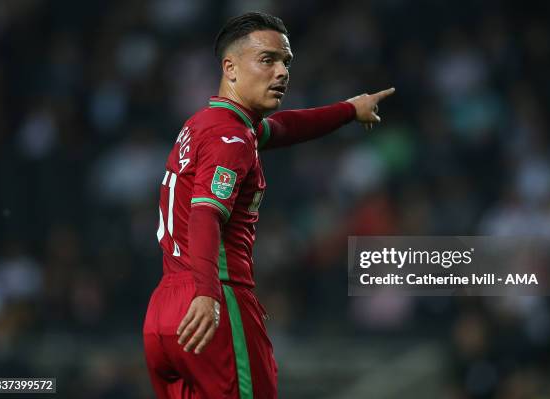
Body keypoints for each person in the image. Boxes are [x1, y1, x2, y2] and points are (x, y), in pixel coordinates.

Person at [143, 11, 395, 399]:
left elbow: (284, 129)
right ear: (230, 68)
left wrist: (349, 109)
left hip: (164, 313)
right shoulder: (232, 138)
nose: (281, 72)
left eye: (286, 62)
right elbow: (206, 213)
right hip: (214, 301)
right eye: (267, 60)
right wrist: (208, 294)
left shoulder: (204, 125)